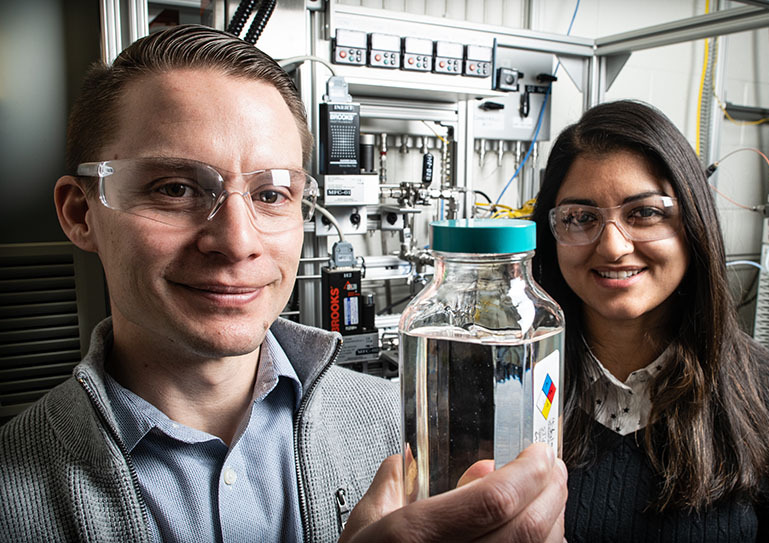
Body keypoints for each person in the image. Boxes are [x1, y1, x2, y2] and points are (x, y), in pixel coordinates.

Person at [0, 24, 567, 543]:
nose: (237, 240)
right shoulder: (14, 495)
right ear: (80, 212)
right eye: (175, 188)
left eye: (271, 194)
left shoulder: (401, 424)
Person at [530, 100, 769, 542]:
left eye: (644, 213)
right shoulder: (518, 388)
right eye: (581, 218)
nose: (612, 248)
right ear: (551, 235)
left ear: (693, 224)